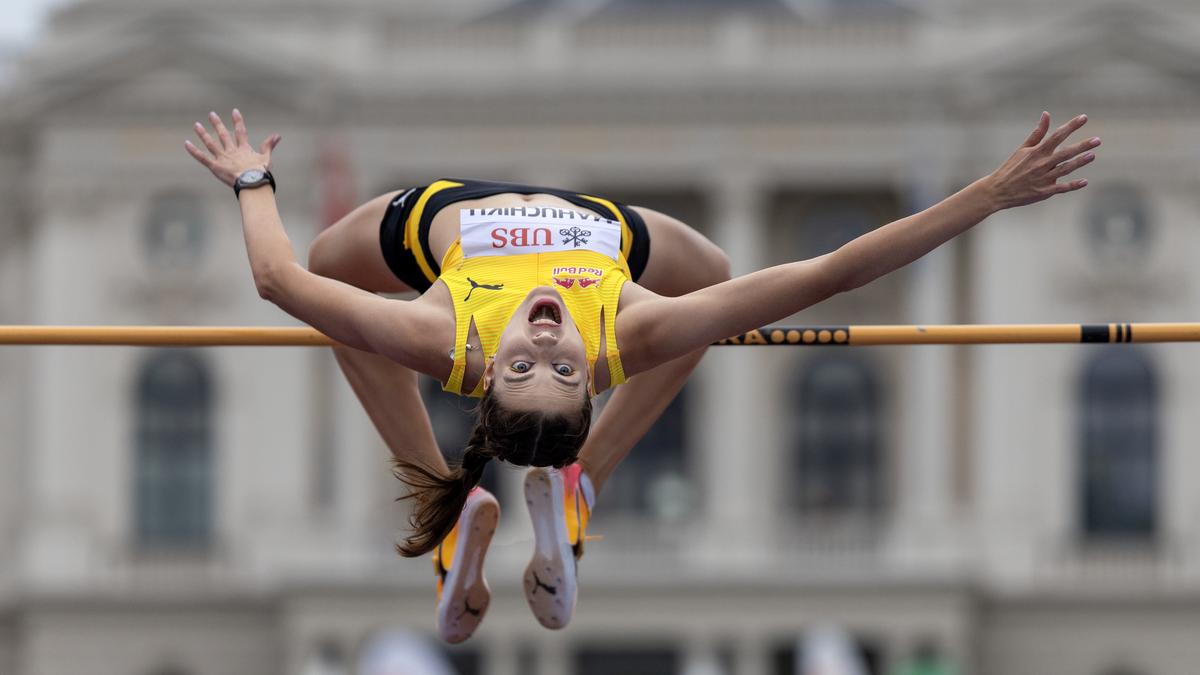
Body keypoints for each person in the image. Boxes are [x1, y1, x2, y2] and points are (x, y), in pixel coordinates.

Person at [185, 109, 1099, 642]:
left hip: (438, 217)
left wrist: (251, 181)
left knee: (331, 282)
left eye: (524, 362)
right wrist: (986, 195)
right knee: (721, 283)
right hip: (608, 226)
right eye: (561, 366)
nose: (547, 333)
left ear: (485, 371)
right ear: (592, 377)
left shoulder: (443, 334)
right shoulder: (630, 330)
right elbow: (833, 271)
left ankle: (445, 496)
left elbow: (278, 278)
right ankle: (577, 486)